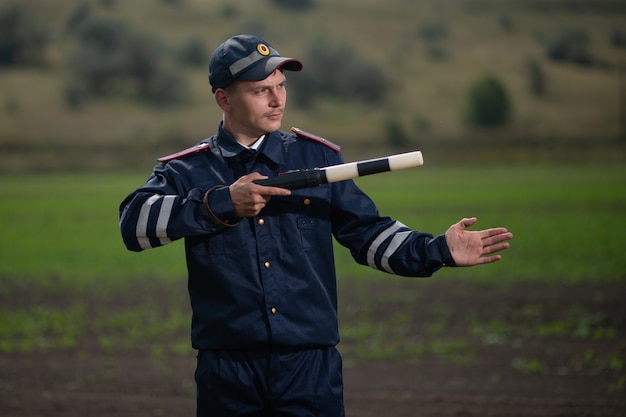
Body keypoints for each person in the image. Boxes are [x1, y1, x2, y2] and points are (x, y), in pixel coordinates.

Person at [119, 34, 513, 417]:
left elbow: (370, 236)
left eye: (281, 86)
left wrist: (437, 250)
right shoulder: (186, 169)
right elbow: (132, 225)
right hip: (227, 371)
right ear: (224, 98)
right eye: (261, 90)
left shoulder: (319, 159)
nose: (277, 101)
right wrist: (219, 203)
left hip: (310, 369)